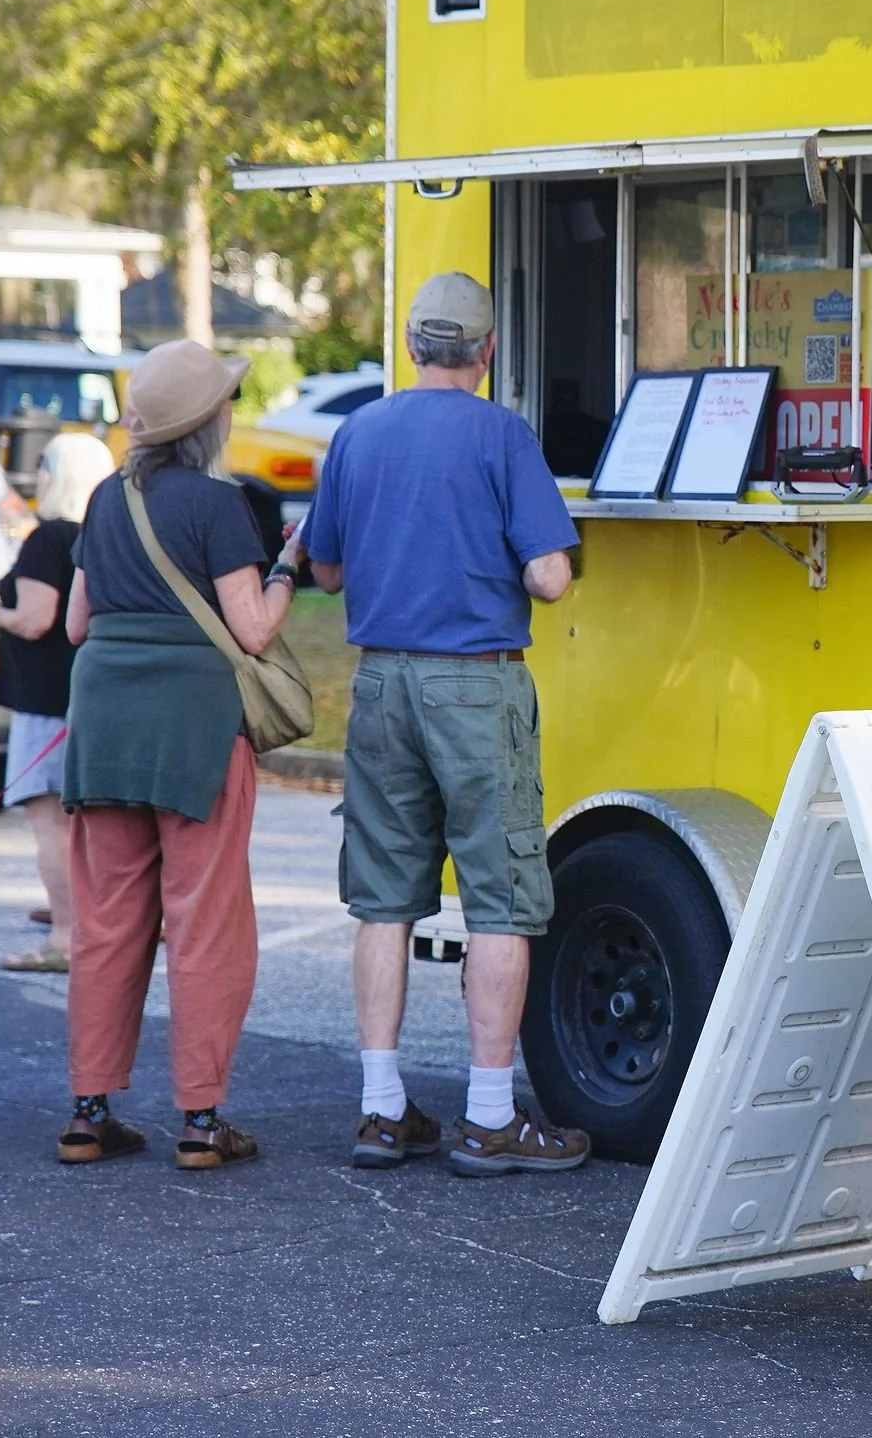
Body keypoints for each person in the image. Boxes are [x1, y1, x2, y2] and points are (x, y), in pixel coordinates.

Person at [291, 271, 586, 1177]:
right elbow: (549, 579)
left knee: (382, 898)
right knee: (499, 897)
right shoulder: (502, 434)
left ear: (414, 346)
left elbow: (327, 572)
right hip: (475, 687)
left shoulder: (358, 431)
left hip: (380, 687)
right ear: (487, 351)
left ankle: (382, 1112)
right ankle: (490, 1116)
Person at [52, 340, 303, 1170]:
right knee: (205, 923)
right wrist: (288, 569)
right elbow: (253, 630)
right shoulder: (218, 504)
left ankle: (89, 1112)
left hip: (104, 729)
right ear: (209, 422)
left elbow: (77, 626)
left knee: (108, 923)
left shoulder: (102, 500)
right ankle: (201, 1120)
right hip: (195, 730)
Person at [0, 431, 116, 974]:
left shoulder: (47, 539)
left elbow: (35, 620)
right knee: (85, 823)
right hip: (90, 695)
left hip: (44, 700)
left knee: (48, 820)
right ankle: (80, 913)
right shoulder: (103, 533)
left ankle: (66, 936)